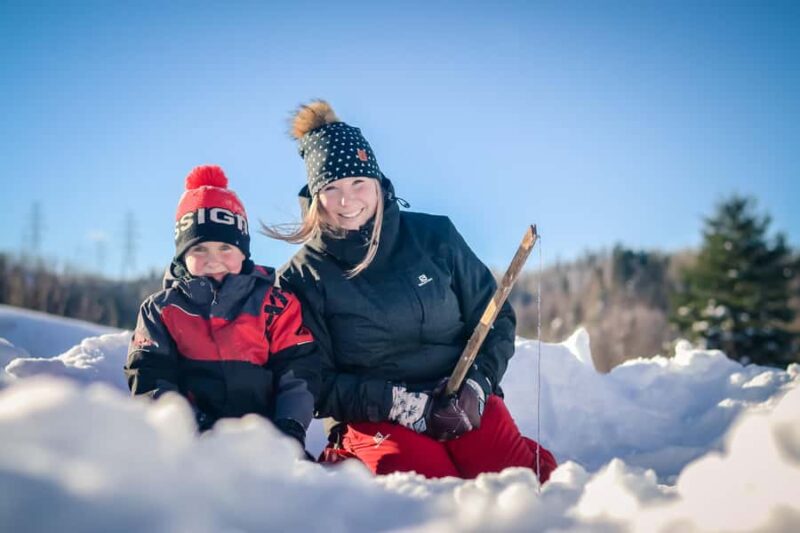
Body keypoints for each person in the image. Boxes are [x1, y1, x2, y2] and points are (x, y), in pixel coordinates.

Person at [268, 100, 557, 481]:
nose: (347, 200)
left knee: (516, 482)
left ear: (377, 181)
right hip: (375, 417)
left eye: (358, 183)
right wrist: (401, 405)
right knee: (426, 487)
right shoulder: (302, 278)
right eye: (332, 188)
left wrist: (478, 384)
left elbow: (495, 316)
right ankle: (344, 468)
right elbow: (314, 380)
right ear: (316, 196)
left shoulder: (435, 237)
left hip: (460, 402)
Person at [125, 165, 319, 455]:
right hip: (189, 444)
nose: (213, 260)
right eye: (199, 249)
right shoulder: (162, 310)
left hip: (267, 441)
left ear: (244, 251)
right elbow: (149, 376)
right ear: (181, 255)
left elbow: (298, 372)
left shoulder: (275, 304)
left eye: (225, 248)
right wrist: (188, 428)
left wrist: (288, 429)